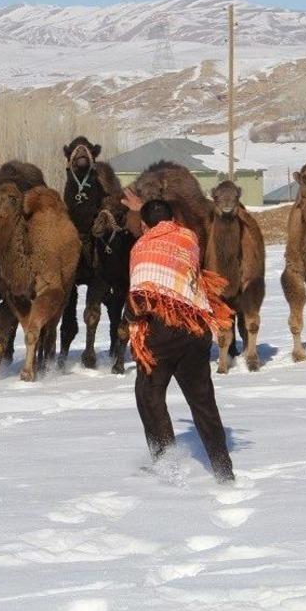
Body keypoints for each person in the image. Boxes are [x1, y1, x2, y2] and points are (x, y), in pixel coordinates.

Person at [121, 190, 236, 483]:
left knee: (149, 397)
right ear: (171, 219)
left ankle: (166, 467)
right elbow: (167, 225)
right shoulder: (188, 239)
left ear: (145, 227)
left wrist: (130, 321)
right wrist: (145, 209)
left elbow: (141, 298)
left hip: (160, 335)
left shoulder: (142, 248)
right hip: (196, 330)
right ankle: (224, 471)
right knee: (203, 402)